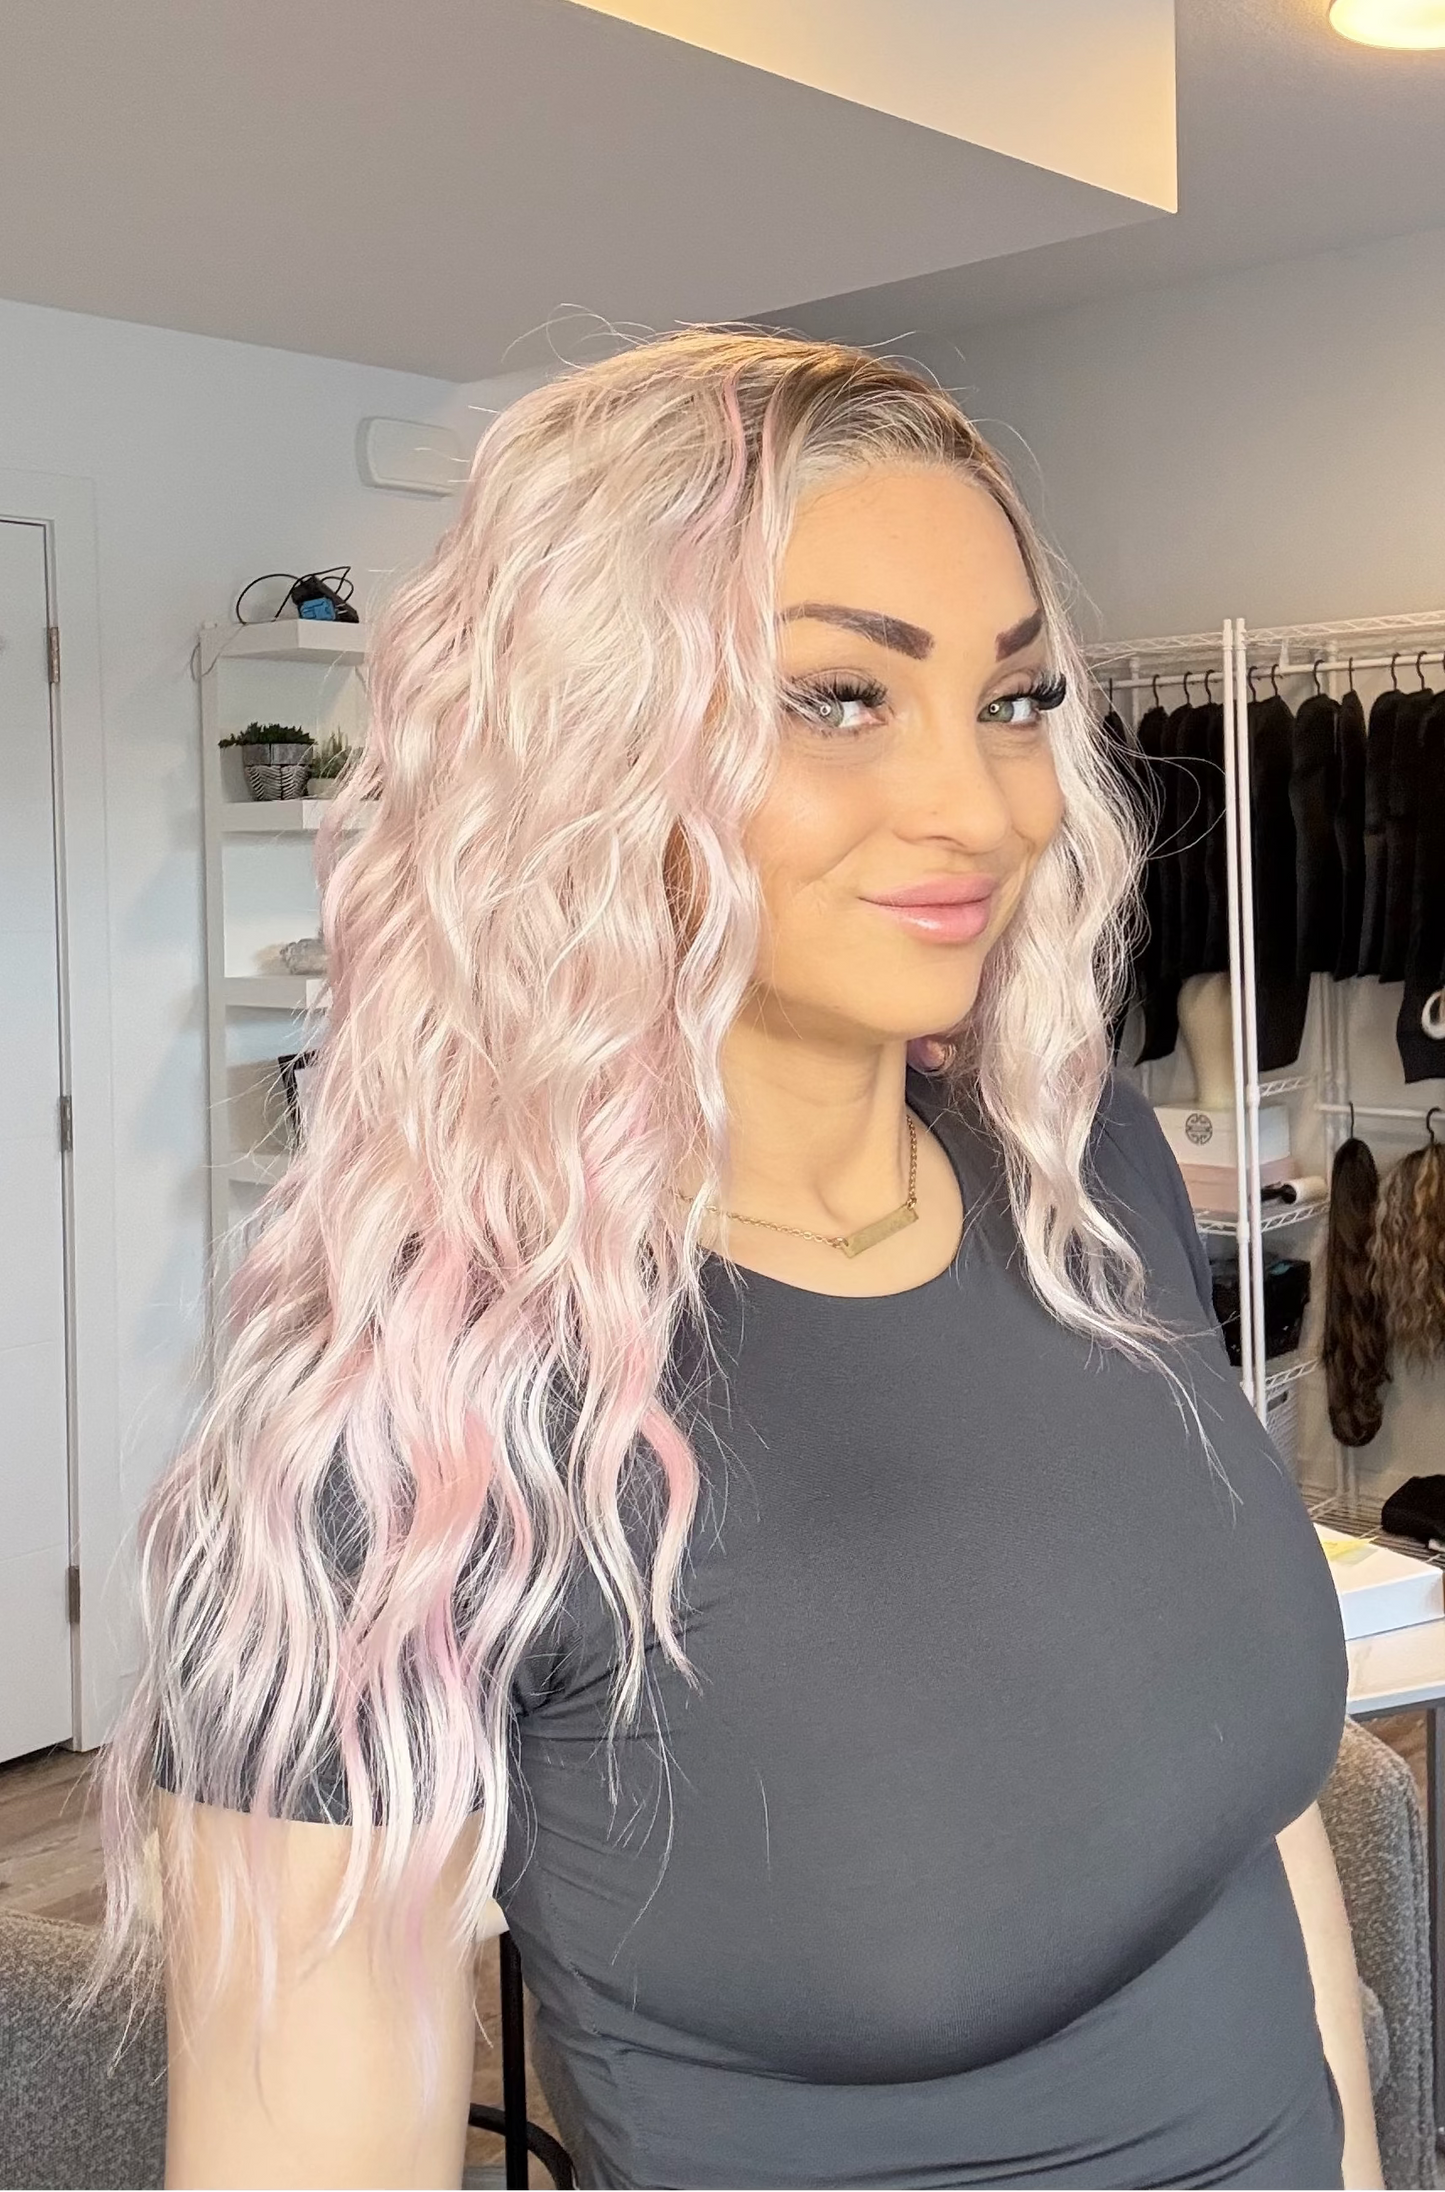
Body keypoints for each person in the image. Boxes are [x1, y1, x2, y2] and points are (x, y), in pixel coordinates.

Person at [77, 331, 1380, 2192]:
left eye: (1012, 702)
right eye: (840, 696)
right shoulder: (413, 1436)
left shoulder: (1081, 1177)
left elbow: (1254, 1848)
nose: (984, 806)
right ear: (590, 746)